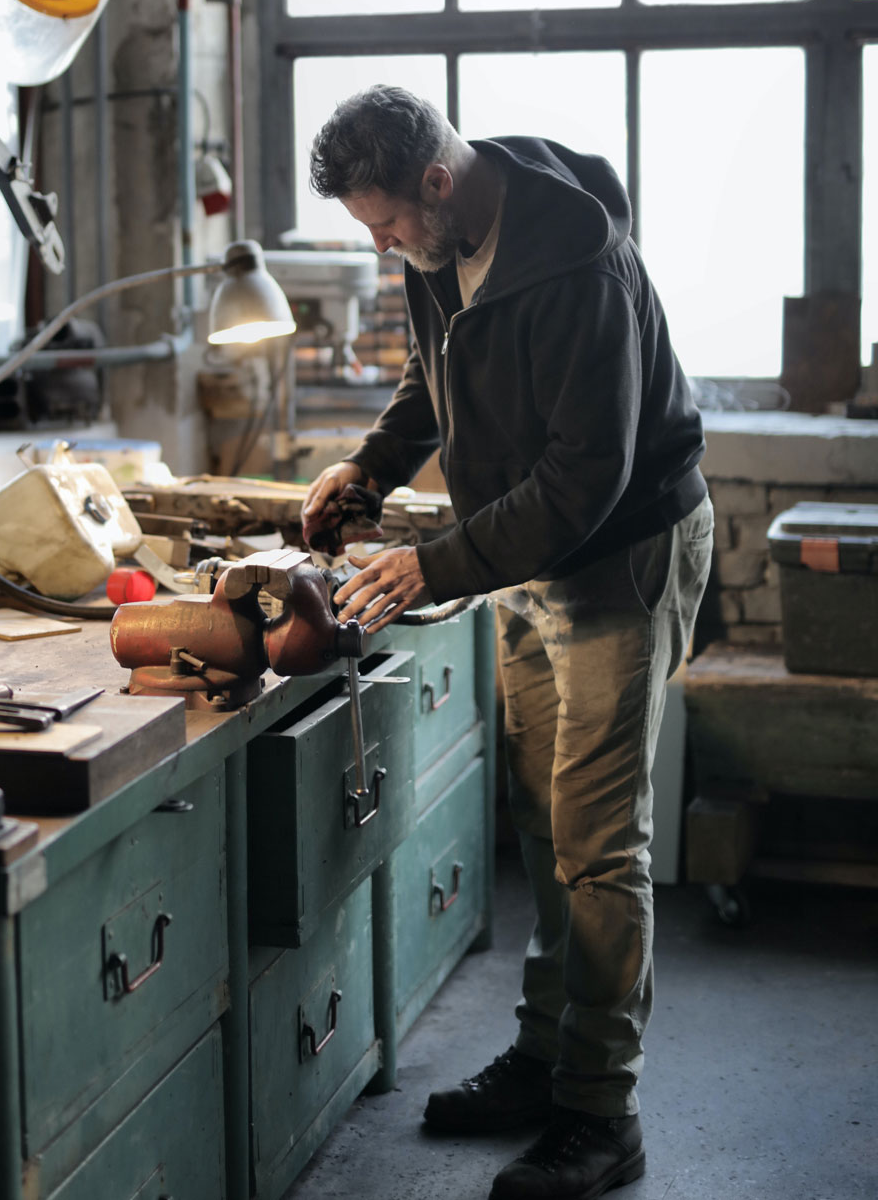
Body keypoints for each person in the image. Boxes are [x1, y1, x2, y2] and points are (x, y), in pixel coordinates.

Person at [300, 86, 713, 1200]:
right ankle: (544, 1060)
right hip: (522, 552)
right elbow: (435, 376)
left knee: (597, 843)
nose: (384, 247)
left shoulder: (575, 260)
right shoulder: (441, 237)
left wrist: (432, 563)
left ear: (437, 180)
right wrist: (374, 463)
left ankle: (600, 1110)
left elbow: (588, 478)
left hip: (619, 550)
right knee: (541, 825)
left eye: (386, 225)